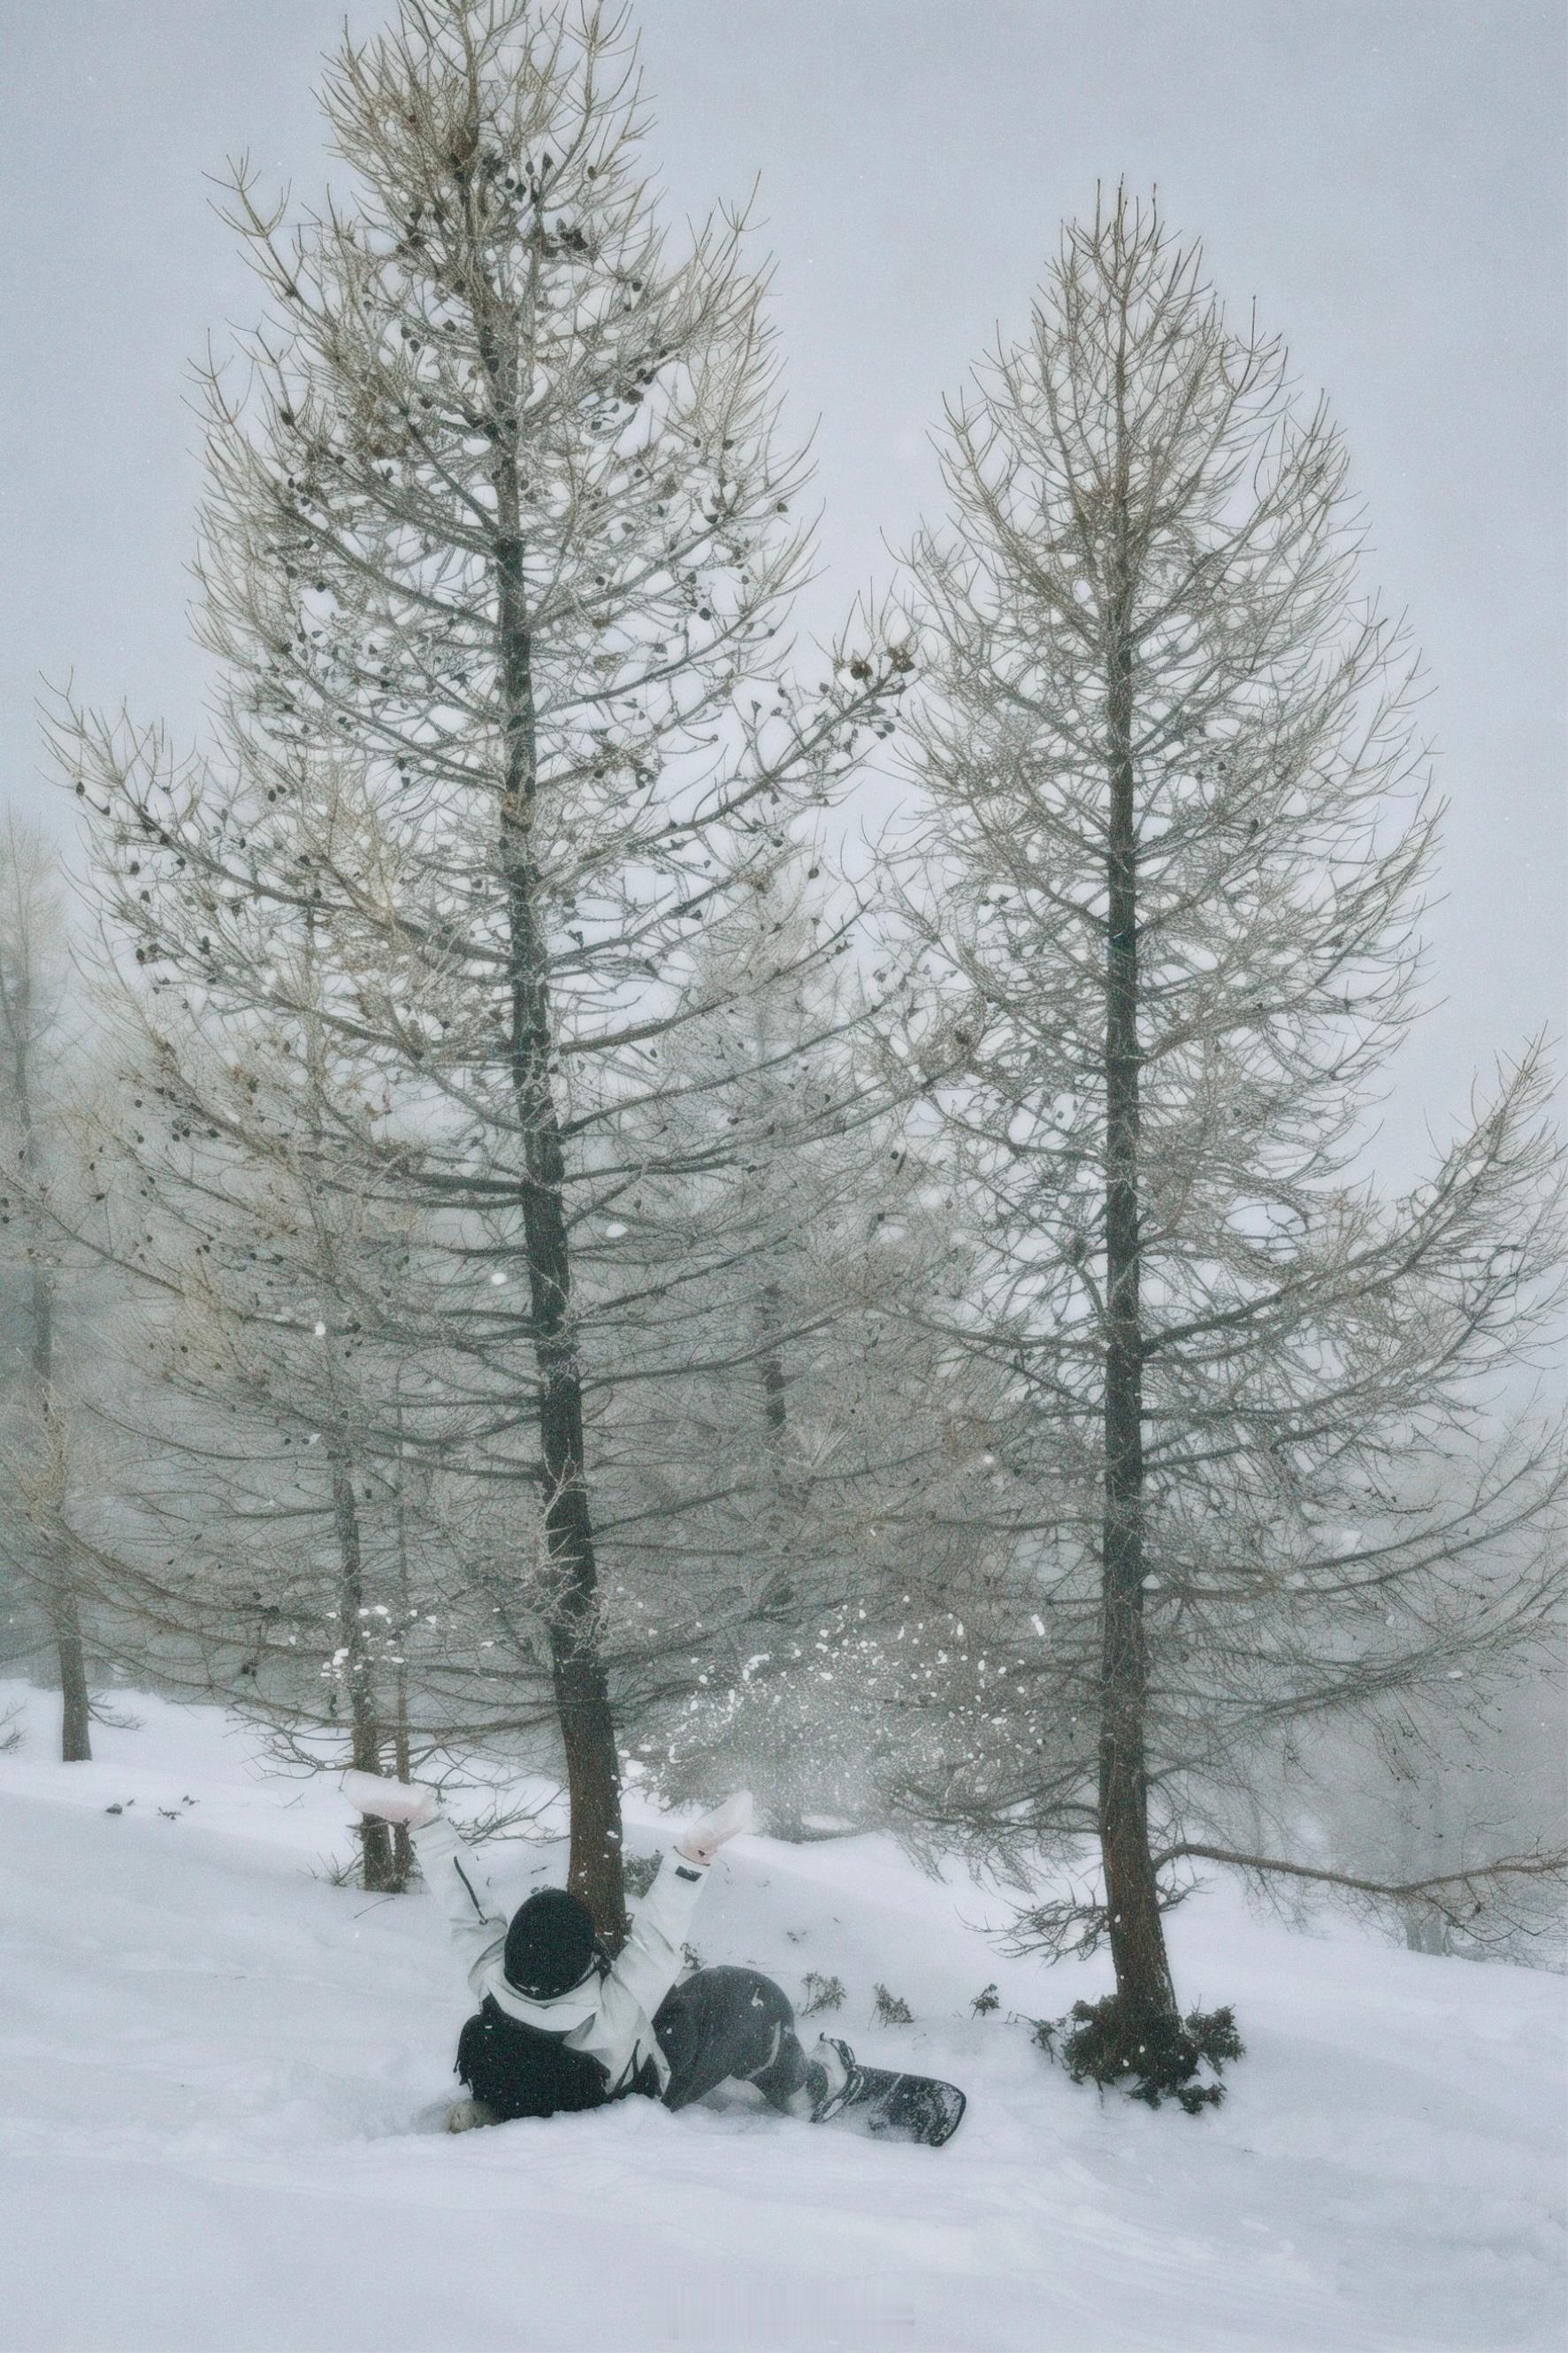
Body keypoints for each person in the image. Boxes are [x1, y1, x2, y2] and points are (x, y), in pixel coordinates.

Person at [344, 1773, 860, 2133]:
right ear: (583, 1959)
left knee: (680, 2001)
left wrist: (424, 1822)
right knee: (744, 1996)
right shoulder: (614, 2011)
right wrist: (693, 1854)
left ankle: (500, 2114)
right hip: (641, 2085)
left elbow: (468, 1907)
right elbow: (657, 1938)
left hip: (531, 2083)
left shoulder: (491, 1979)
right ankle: (810, 2086)